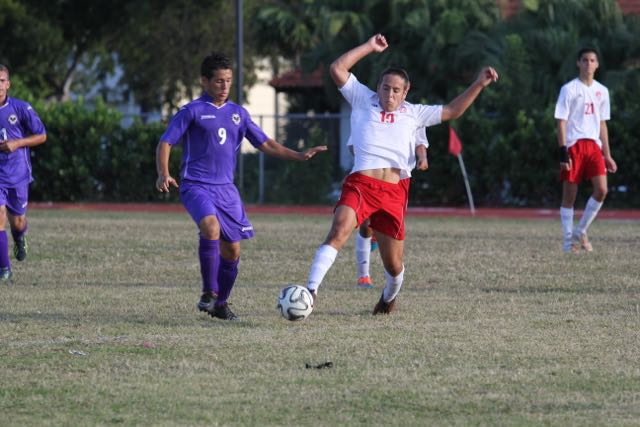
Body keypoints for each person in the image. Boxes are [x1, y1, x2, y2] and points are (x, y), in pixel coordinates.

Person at [305, 34, 497, 315]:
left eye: (396, 90)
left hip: (394, 192)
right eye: (385, 88)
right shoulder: (362, 98)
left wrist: (479, 83)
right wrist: (369, 47)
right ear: (378, 88)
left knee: (393, 266)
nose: (390, 95)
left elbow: (453, 110)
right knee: (339, 229)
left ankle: (387, 297)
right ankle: (310, 291)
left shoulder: (414, 113)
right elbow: (337, 69)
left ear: (405, 92)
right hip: (361, 183)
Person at [156, 52, 326, 320]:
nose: (224, 87)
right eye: (219, 81)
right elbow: (166, 142)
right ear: (204, 81)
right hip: (196, 184)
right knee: (210, 227)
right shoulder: (192, 111)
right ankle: (209, 292)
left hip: (226, 189)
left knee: (233, 249)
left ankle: (220, 305)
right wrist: (163, 173)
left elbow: (266, 144)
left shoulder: (238, 114)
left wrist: (298, 155)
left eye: (228, 81)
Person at [554, 47, 617, 253]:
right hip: (573, 146)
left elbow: (602, 124)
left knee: (602, 190)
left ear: (597, 65)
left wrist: (607, 154)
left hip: (594, 147)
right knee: (569, 196)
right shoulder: (569, 89)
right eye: (584, 60)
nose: (588, 64)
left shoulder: (603, 91)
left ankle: (580, 231)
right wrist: (563, 151)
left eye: (592, 60)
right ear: (578, 63)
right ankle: (567, 242)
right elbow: (561, 122)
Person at [355, 127, 429, 289]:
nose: (391, 99)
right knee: (366, 223)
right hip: (372, 175)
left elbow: (420, 142)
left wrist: (422, 158)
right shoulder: (371, 110)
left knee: (393, 230)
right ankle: (363, 276)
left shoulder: (413, 113)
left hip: (400, 179)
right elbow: (353, 144)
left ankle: (378, 236)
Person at [0, 65, 47, 282]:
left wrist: (17, 143)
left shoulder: (20, 108)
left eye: (2, 81)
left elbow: (41, 135)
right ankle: (5, 270)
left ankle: (19, 238)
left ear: (8, 84)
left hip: (17, 174)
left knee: (17, 222)